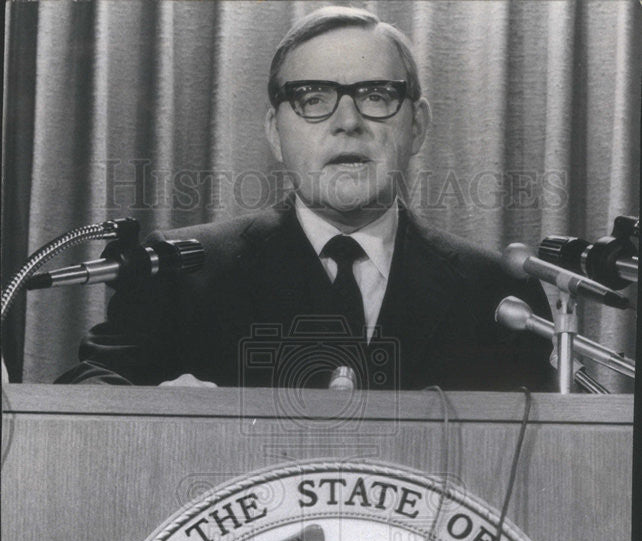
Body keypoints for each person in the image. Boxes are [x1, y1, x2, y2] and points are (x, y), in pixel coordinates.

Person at [58, 5, 555, 391]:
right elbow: (86, 390)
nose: (347, 121)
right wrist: (158, 409)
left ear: (418, 125)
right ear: (275, 131)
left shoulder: (497, 293)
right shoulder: (182, 271)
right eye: (313, 98)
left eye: (376, 95)